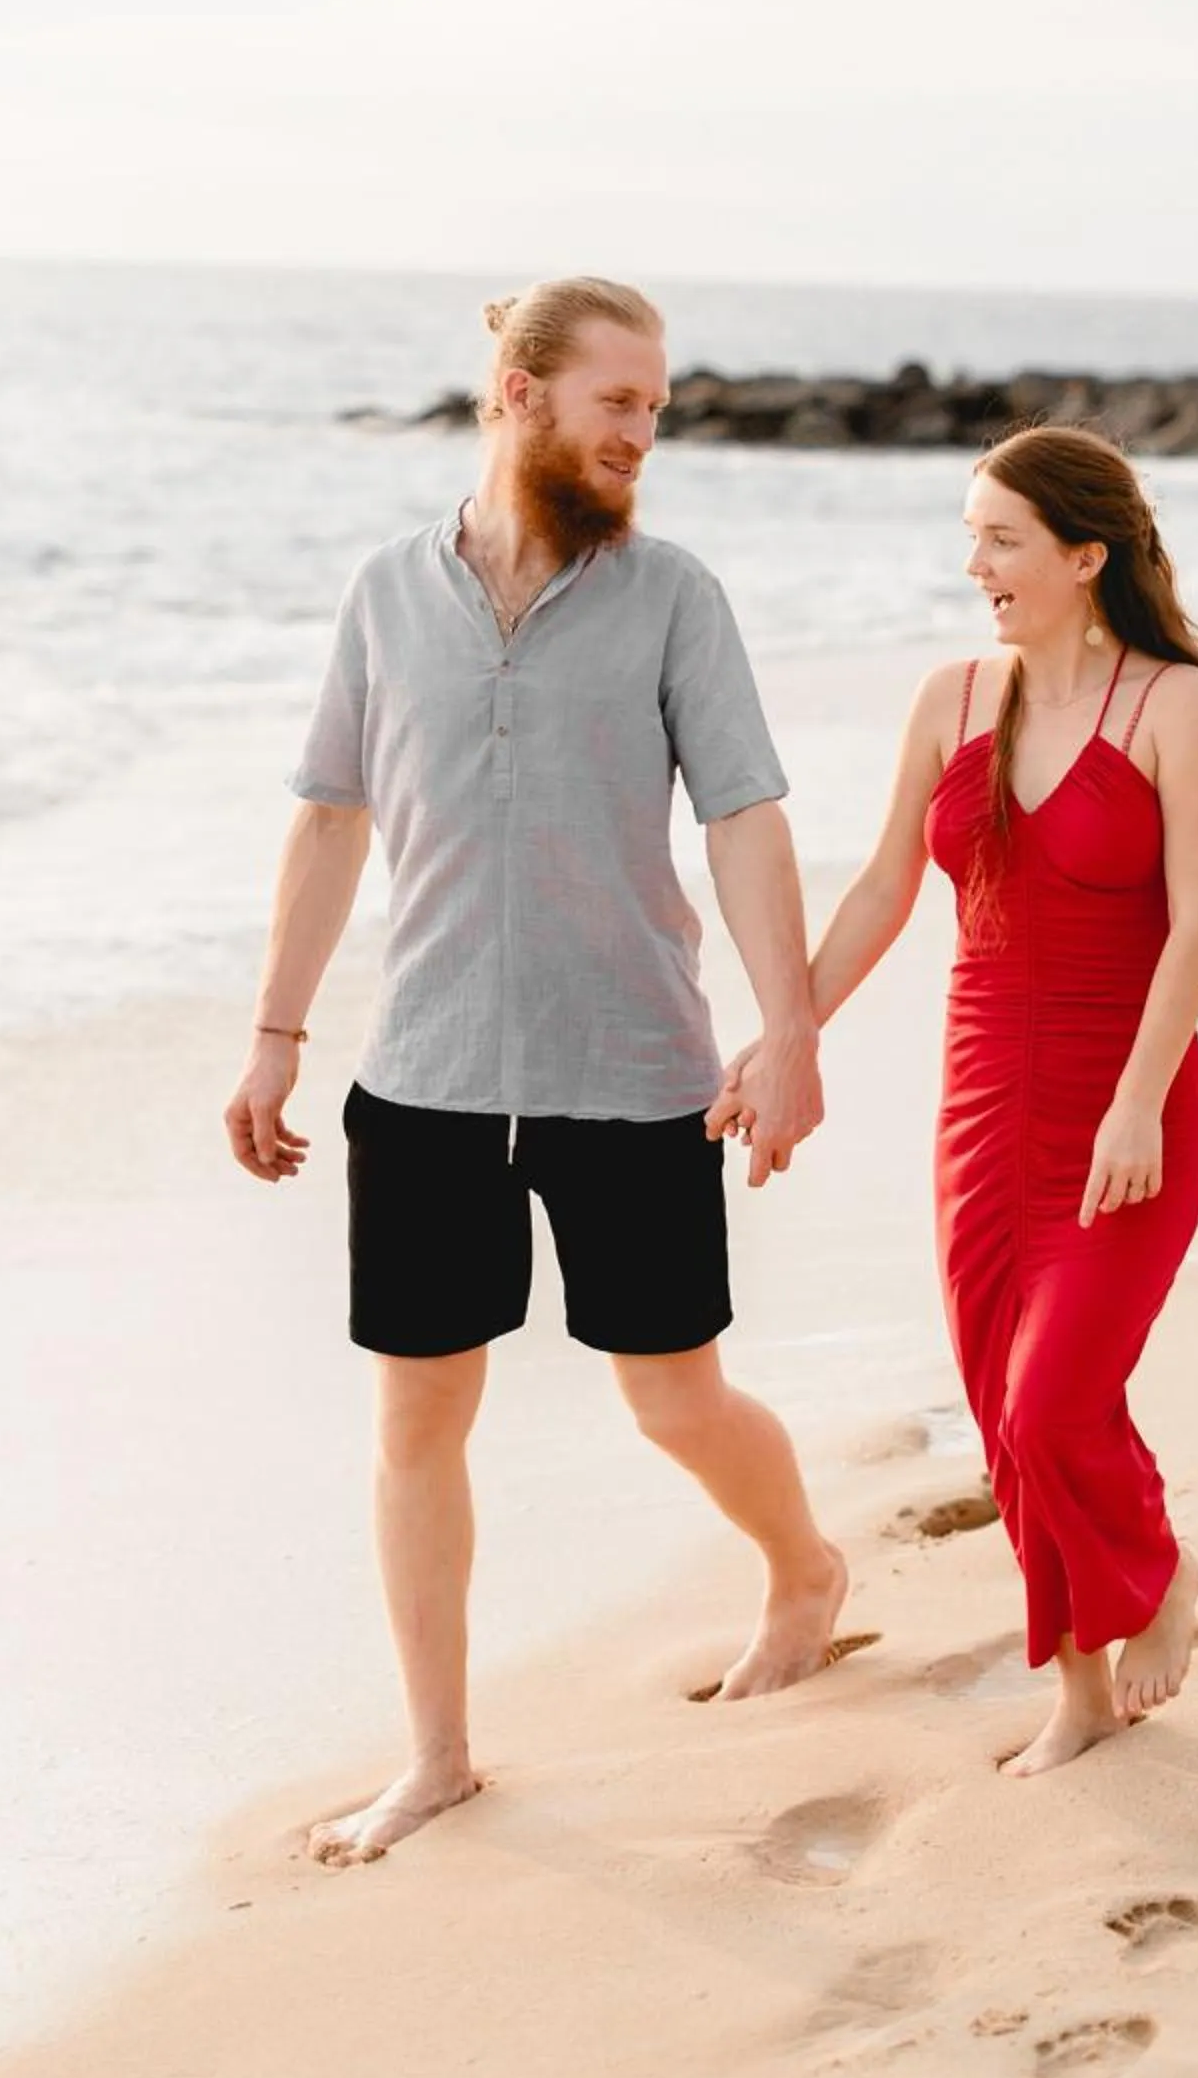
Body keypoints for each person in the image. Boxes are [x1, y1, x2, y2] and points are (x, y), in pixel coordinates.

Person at [225, 276, 849, 1866]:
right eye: (618, 400)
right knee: (417, 1422)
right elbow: (326, 818)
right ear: (517, 394)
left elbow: (746, 819)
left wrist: (789, 1032)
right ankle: (435, 1758)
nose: (646, 430)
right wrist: (274, 1035)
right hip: (423, 1077)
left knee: (675, 1399)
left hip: (634, 1070)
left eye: (656, 404)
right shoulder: (384, 593)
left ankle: (804, 1572)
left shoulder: (674, 599)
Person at [716, 424, 1198, 1776]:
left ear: (1086, 554)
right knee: (1007, 1417)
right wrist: (790, 1033)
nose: (977, 567)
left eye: (1002, 539)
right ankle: (1075, 1691)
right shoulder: (952, 696)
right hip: (980, 1107)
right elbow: (888, 887)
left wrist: (1138, 1102)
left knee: (1059, 1399)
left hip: (1126, 1104)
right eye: (972, 537)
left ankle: (1162, 1572)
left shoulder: (1171, 701)